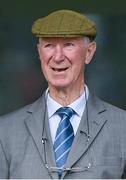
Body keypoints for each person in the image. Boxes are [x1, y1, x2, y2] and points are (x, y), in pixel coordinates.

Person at [0, 9, 126, 179]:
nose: (57, 57)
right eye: (49, 45)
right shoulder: (5, 132)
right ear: (39, 52)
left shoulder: (122, 128)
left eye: (68, 44)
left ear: (89, 52)